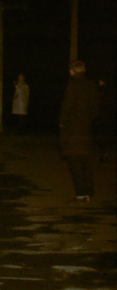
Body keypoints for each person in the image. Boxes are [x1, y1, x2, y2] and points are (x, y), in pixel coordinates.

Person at [59, 60, 100, 204]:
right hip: (86, 128)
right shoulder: (91, 85)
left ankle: (81, 194)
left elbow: (67, 106)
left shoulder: (73, 85)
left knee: (74, 161)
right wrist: (88, 119)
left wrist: (62, 122)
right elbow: (96, 108)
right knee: (85, 160)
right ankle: (88, 191)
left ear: (71, 71)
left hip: (73, 129)